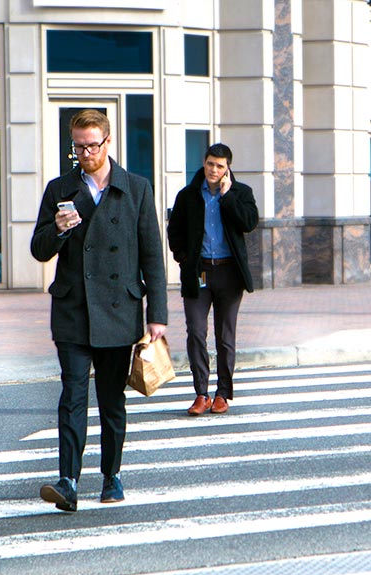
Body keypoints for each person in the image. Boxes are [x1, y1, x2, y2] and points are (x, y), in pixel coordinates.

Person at [30, 109, 167, 512]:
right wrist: (57, 228)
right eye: (78, 146)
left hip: (119, 309)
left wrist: (156, 315)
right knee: (72, 396)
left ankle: (112, 476)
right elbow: (39, 250)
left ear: (108, 142)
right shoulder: (60, 189)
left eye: (92, 145)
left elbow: (152, 257)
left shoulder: (136, 189)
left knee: (111, 400)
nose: (85, 153)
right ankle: (68, 481)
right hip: (72, 309)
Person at [167, 143, 259, 416]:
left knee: (225, 336)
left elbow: (249, 222)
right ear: (204, 163)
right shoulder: (188, 195)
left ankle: (222, 394)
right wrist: (184, 257)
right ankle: (201, 394)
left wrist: (228, 197)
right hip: (199, 271)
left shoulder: (242, 193)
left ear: (227, 168)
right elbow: (175, 232)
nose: (214, 170)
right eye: (210, 164)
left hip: (229, 273)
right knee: (196, 332)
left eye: (220, 166)